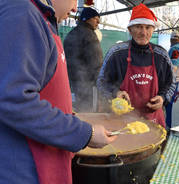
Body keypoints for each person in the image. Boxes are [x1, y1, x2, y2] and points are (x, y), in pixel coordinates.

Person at [0, 0, 117, 184]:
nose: (74, 8)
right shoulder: (22, 12)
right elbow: (13, 99)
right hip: (26, 169)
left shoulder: (42, 20)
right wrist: (85, 134)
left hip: (46, 158)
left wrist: (68, 114)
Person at [97, 3, 174, 128]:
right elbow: (101, 82)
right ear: (130, 29)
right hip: (122, 122)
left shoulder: (161, 55)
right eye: (138, 27)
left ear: (153, 29)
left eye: (148, 27)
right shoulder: (117, 53)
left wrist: (163, 98)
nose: (143, 32)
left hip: (153, 122)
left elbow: (170, 83)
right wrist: (115, 93)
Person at [64, 7, 103, 112]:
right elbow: (97, 61)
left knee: (80, 108)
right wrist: (100, 83)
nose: (98, 22)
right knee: (90, 111)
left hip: (74, 81)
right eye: (95, 19)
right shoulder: (90, 35)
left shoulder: (71, 34)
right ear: (87, 18)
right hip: (89, 83)